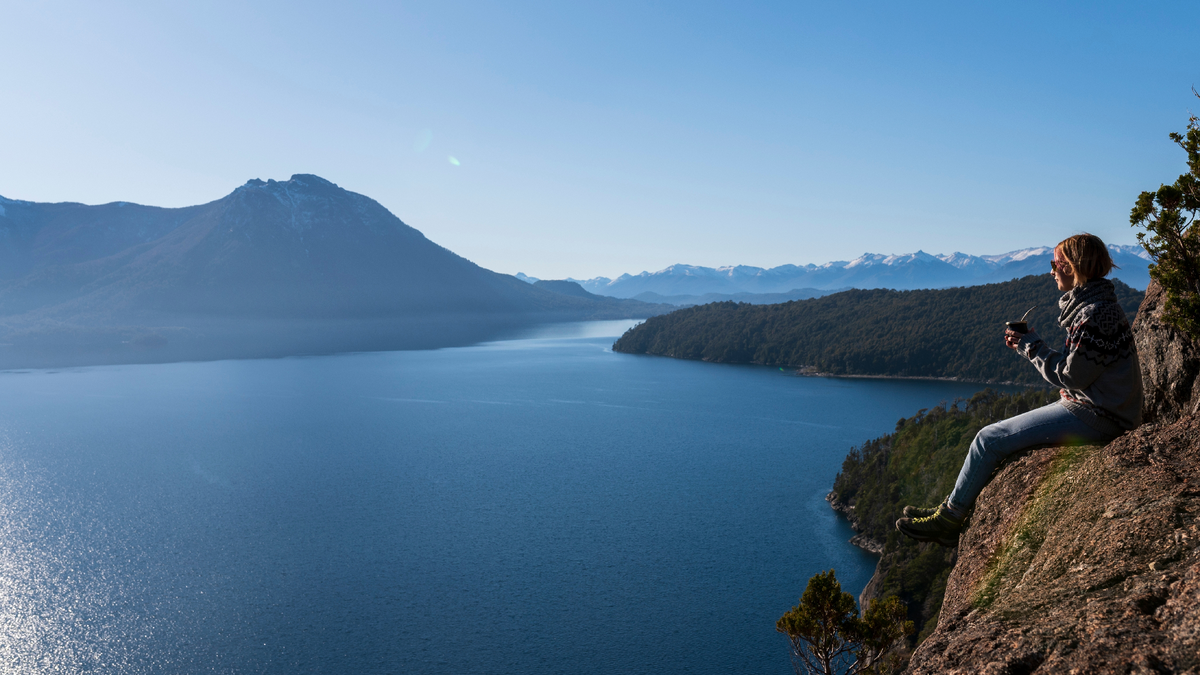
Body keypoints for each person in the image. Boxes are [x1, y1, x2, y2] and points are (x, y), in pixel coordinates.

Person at [896, 233, 1143, 546]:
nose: (1051, 270)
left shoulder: (1094, 313)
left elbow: (1072, 376)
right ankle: (950, 507)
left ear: (1073, 266)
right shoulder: (1096, 306)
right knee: (992, 438)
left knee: (988, 439)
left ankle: (949, 519)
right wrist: (1032, 346)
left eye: (1056, 263)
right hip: (1099, 407)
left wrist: (1030, 345)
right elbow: (1082, 369)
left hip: (1100, 415)